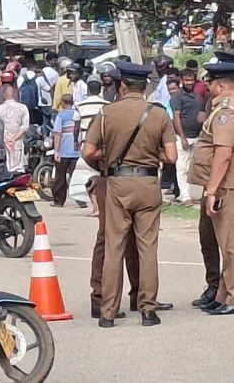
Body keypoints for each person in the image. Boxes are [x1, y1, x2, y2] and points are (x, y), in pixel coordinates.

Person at [83, 61, 177, 328]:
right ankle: (148, 310)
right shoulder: (158, 115)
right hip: (148, 184)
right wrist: (150, 155)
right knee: (147, 248)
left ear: (122, 86)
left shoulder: (106, 113)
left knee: (114, 248)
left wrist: (110, 157)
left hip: (118, 183)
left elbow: (88, 152)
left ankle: (108, 313)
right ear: (144, 87)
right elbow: (172, 156)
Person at [188, 62, 234, 315]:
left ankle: (232, 297)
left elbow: (223, 154)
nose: (208, 86)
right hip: (223, 183)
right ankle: (223, 294)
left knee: (229, 245)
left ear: (222, 86)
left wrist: (213, 190)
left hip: (227, 185)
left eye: (211, 82)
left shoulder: (226, 111)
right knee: (224, 244)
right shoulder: (220, 108)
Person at [170, 69, 204, 205]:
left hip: (196, 136)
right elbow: (176, 117)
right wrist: (182, 136)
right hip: (182, 137)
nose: (189, 83)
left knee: (191, 167)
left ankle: (189, 194)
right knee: (182, 167)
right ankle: (185, 196)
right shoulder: (177, 96)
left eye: (191, 80)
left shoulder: (196, 96)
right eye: (186, 80)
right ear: (181, 81)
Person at [51, 94, 80, 207]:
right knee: (77, 176)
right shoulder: (77, 114)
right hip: (76, 151)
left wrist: (56, 151)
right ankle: (81, 200)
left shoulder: (60, 116)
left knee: (60, 176)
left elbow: (57, 134)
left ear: (62, 103)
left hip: (63, 152)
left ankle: (59, 201)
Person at [0, 85, 29, 172]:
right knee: (18, 168)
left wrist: (6, 140)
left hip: (3, 142)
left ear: (4, 95)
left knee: (5, 168)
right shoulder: (23, 108)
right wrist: (14, 139)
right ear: (15, 94)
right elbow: (25, 127)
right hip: (17, 142)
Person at [73, 75, 110, 144]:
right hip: (102, 141)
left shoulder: (79, 106)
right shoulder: (107, 105)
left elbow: (76, 128)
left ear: (88, 90)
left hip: (85, 140)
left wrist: (75, 141)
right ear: (100, 90)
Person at [37, 54, 60, 128]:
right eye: (55, 60)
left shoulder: (41, 72)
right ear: (49, 60)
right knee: (53, 122)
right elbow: (56, 88)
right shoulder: (55, 73)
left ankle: (44, 133)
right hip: (50, 101)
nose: (56, 62)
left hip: (41, 101)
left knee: (45, 122)